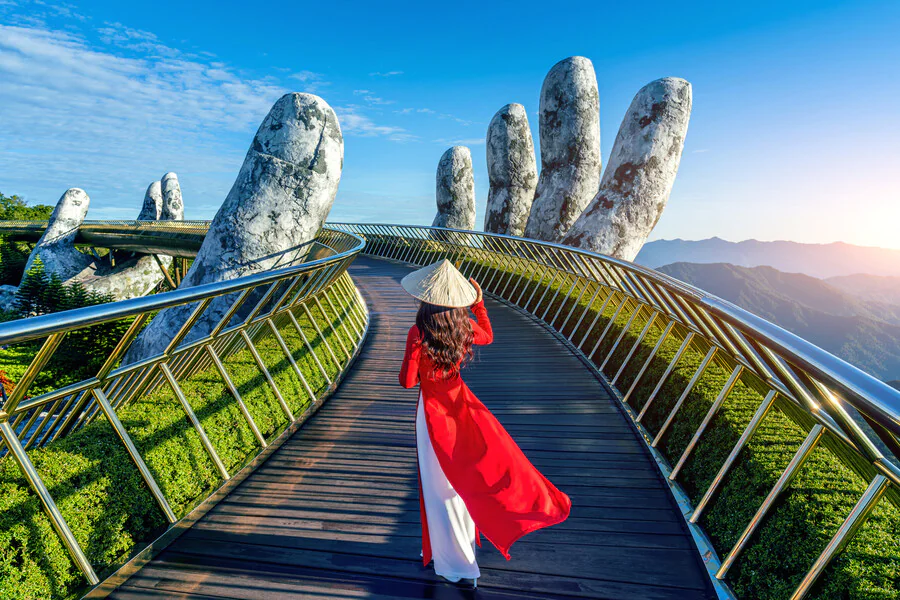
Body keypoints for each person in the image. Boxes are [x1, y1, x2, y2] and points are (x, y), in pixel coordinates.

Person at [399, 259, 571, 587]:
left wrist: (414, 351)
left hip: (433, 417)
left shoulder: (418, 332)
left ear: (426, 298)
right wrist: (479, 304)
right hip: (463, 410)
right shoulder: (462, 326)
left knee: (439, 490)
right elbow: (488, 336)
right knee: (461, 483)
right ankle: (464, 552)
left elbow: (408, 383)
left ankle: (456, 564)